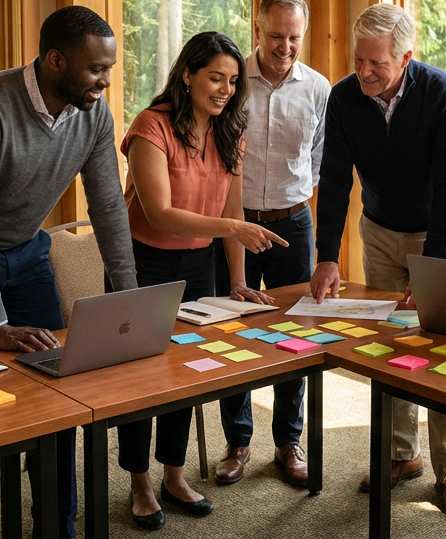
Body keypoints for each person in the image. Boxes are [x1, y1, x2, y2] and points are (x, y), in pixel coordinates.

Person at [0, 5, 140, 539]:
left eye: (109, 69)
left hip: (26, 250)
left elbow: (109, 206)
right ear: (55, 60)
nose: (105, 81)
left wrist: (130, 299)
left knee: (57, 388)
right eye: (95, 70)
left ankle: (56, 525)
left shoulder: (94, 112)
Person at [118, 30, 286, 530]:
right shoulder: (151, 126)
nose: (225, 90)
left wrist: (236, 280)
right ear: (187, 74)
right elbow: (161, 213)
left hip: (199, 266)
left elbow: (231, 209)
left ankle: (173, 473)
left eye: (233, 81)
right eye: (216, 78)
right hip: (141, 263)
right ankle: (139, 481)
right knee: (140, 379)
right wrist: (231, 228)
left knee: (184, 373)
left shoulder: (231, 129)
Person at [311, 3, 446, 518]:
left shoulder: (441, 93)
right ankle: (403, 454)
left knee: (443, 347)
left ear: (406, 56)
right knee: (389, 343)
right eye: (359, 59)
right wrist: (327, 257)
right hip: (378, 230)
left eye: (376, 63)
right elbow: (334, 180)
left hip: (436, 232)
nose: (364, 72)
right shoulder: (343, 97)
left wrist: (432, 264)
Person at [211, 0, 329, 488]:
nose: (285, 47)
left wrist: (297, 198)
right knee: (231, 330)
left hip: (292, 223)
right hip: (234, 222)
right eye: (276, 36)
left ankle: (288, 442)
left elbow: (321, 157)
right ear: (257, 31)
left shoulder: (319, 88)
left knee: (292, 337)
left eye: (294, 37)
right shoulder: (234, 81)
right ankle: (238, 442)